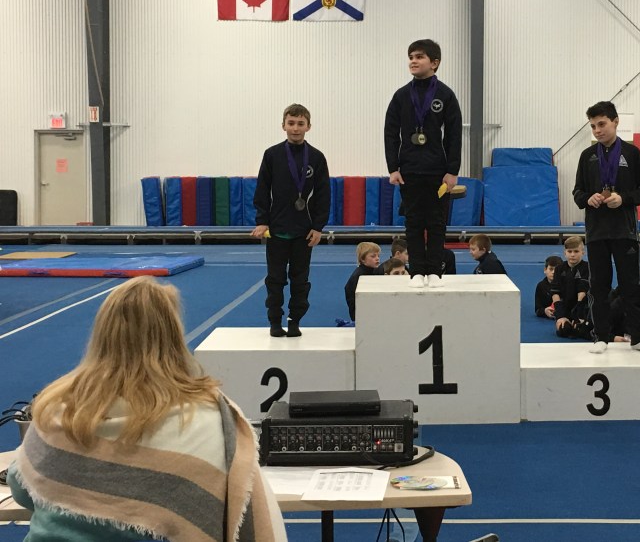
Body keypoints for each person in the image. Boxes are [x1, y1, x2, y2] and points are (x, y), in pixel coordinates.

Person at [6, 276, 288, 542]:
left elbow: (22, 488)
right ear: (173, 338)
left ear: (101, 335)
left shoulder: (57, 408)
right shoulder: (206, 421)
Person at [573, 101, 640, 355]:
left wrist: (624, 199)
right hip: (596, 232)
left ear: (616, 122)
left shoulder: (632, 153)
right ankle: (601, 337)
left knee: (631, 286)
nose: (597, 130)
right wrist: (588, 198)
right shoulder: (587, 156)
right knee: (599, 286)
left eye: (602, 124)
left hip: (625, 231)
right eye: (593, 126)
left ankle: (638, 337)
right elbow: (577, 193)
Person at [384, 39, 463, 289]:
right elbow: (390, 132)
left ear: (434, 63)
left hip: (438, 172)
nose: (413, 61)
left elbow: (454, 135)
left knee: (437, 223)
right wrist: (393, 167)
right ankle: (417, 271)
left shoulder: (445, 95)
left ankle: (435, 272)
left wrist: (452, 171)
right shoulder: (401, 96)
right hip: (409, 170)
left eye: (419, 57)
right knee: (414, 223)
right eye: (411, 57)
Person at [252, 103, 331, 338]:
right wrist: (262, 220)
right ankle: (275, 321)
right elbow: (262, 189)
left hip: (304, 231)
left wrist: (318, 227)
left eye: (300, 124)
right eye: (291, 123)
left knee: (300, 280)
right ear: (283, 125)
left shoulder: (316, 157)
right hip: (277, 229)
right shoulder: (272, 155)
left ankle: (295, 320)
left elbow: (324, 194)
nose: (295, 128)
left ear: (308, 126)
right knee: (275, 279)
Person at [551, 236, 591, 335]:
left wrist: (579, 316)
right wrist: (560, 316)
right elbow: (555, 293)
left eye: (576, 251)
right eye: (569, 251)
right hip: (565, 308)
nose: (572, 255)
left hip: (583, 308)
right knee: (563, 330)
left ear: (583, 252)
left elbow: (582, 292)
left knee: (580, 330)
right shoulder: (559, 269)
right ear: (565, 253)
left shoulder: (587, 268)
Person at [345, 242, 381, 321]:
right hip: (361, 313)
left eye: (378, 256)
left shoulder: (375, 270)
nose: (377, 258)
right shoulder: (358, 276)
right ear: (363, 259)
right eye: (373, 256)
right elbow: (350, 293)